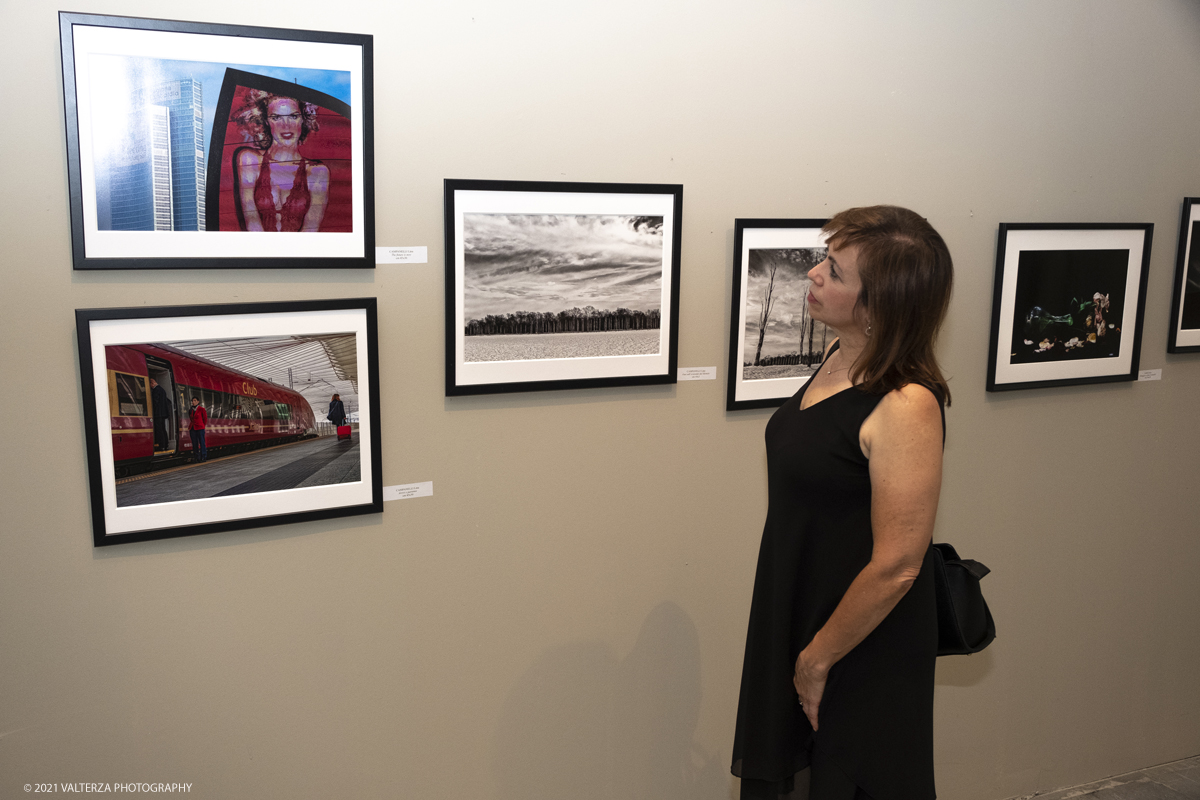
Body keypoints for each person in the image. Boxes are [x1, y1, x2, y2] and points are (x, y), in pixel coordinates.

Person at [731, 206, 953, 800]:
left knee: (845, 779)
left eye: (835, 269)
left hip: (858, 639)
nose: (813, 273)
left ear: (880, 305)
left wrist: (817, 659)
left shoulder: (907, 404)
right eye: (824, 259)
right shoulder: (837, 356)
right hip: (800, 609)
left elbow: (900, 564)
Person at [234, 91, 329, 232]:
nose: (286, 125)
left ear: (303, 119)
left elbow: (310, 230)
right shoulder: (249, 160)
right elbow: (251, 221)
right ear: (266, 121)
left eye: (293, 116)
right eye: (276, 117)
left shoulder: (318, 172)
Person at [149, 378, 171, 451]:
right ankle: (165, 445)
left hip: (158, 414)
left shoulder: (156, 390)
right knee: (163, 430)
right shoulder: (162, 390)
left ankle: (161, 445)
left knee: (159, 430)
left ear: (152, 383)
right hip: (163, 414)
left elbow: (155, 402)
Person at [189, 396, 208, 463]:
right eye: (192, 401)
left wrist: (202, 425)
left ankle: (203, 456)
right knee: (194, 443)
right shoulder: (191, 409)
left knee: (202, 442)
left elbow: (205, 419)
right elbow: (191, 418)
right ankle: (196, 457)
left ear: (198, 401)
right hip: (192, 428)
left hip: (200, 428)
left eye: (194, 400)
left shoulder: (201, 409)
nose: (193, 402)